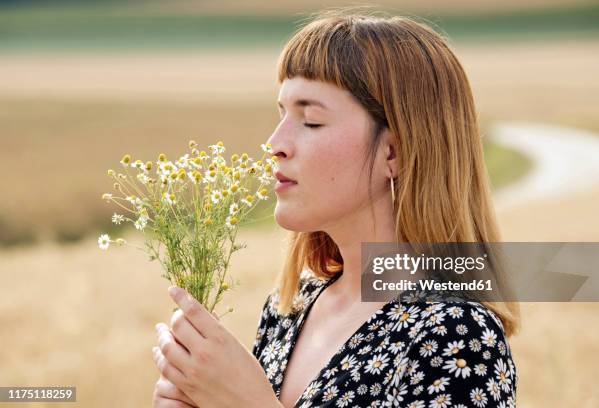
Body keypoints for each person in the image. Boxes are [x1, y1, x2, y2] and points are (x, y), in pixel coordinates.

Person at [152, 8, 520, 407]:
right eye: (281, 115)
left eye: (310, 120)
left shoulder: (457, 336)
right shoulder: (289, 308)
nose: (276, 142)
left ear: (393, 152)